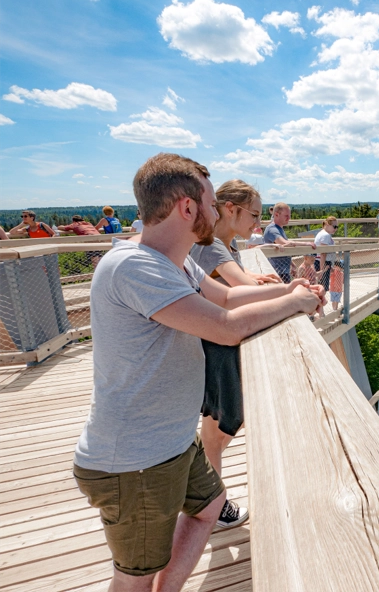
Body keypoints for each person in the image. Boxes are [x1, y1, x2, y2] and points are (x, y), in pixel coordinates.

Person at [73, 153, 324, 592]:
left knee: (210, 508)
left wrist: (289, 288)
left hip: (169, 441)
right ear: (187, 208)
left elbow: (226, 301)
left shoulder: (174, 260)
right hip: (134, 460)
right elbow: (225, 329)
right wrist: (296, 303)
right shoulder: (134, 265)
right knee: (133, 581)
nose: (215, 211)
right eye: (210, 202)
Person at [188, 179, 293, 529]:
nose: (257, 224)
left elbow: (235, 279)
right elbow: (238, 289)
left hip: (211, 344)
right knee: (219, 431)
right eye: (253, 215)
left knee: (214, 432)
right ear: (229, 209)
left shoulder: (221, 245)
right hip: (217, 347)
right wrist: (291, 294)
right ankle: (211, 503)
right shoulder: (212, 246)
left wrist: (254, 278)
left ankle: (209, 499)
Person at [262, 202, 317, 283]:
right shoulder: (272, 229)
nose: (289, 218)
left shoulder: (278, 228)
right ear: (276, 214)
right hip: (277, 272)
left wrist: (292, 264)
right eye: (286, 216)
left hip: (283, 271)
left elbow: (283, 248)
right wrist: (306, 243)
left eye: (289, 216)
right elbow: (284, 243)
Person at [314, 216, 338, 291]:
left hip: (322, 263)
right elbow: (323, 253)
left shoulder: (323, 234)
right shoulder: (325, 235)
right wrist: (321, 270)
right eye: (334, 226)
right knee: (322, 289)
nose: (336, 229)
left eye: (337, 227)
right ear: (327, 224)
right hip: (322, 263)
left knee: (320, 288)